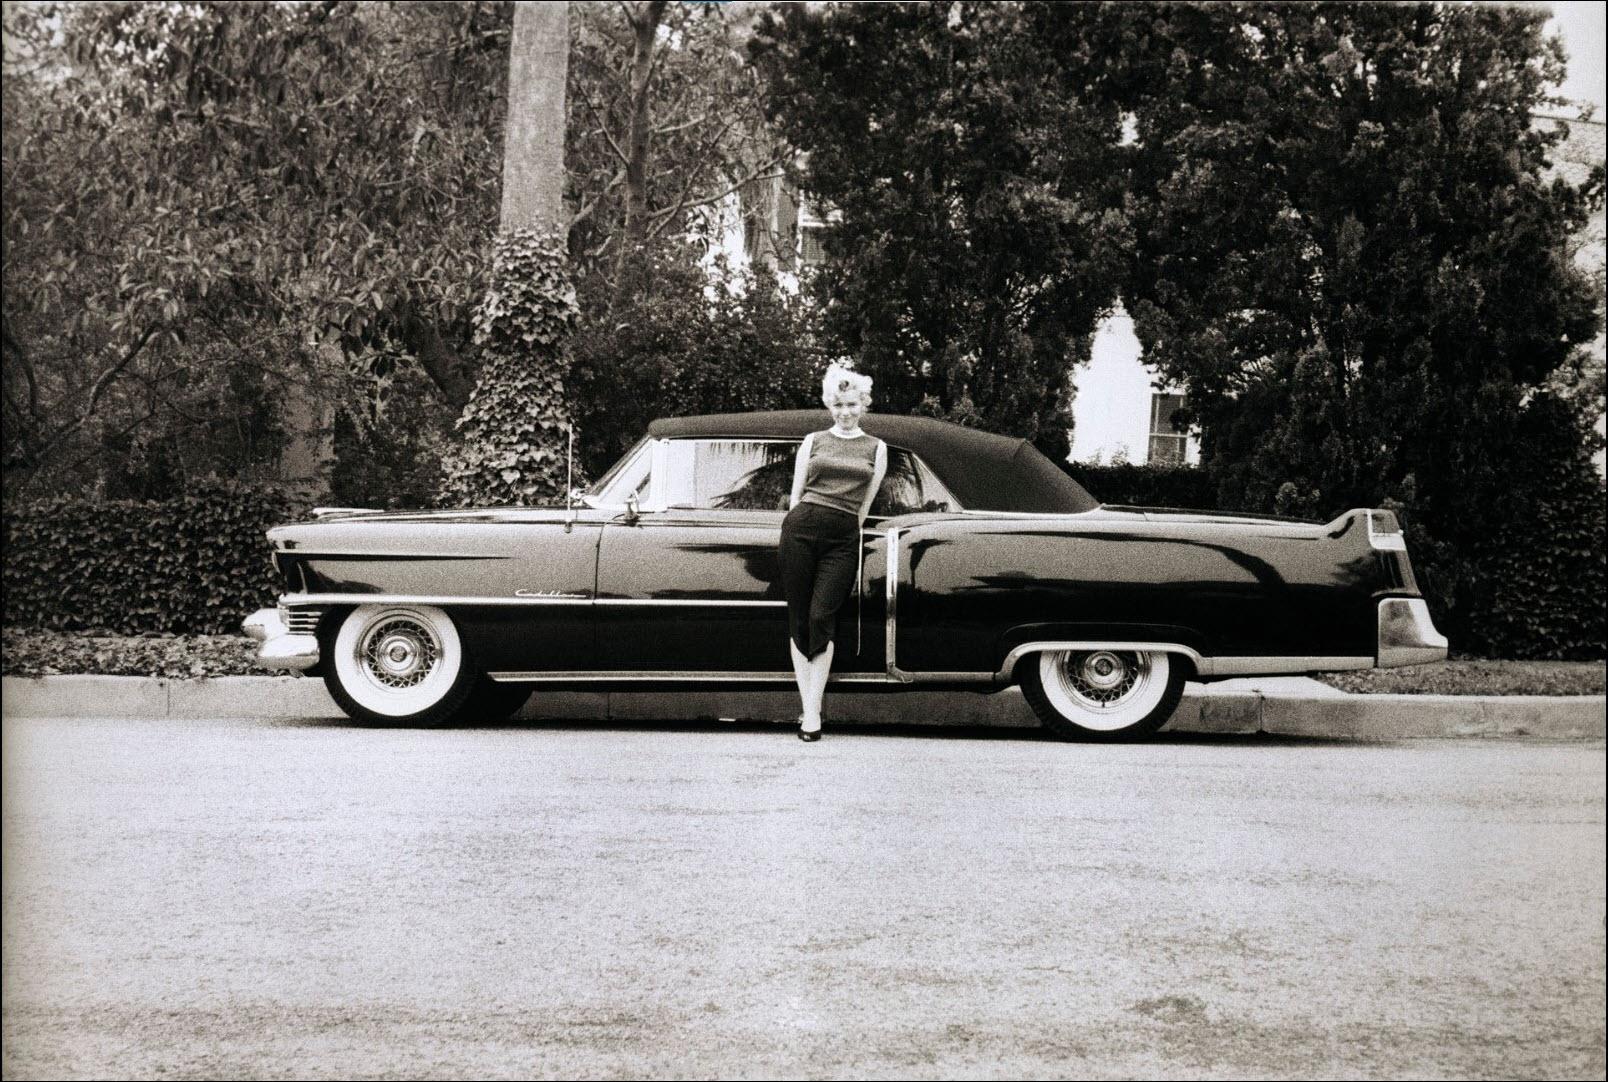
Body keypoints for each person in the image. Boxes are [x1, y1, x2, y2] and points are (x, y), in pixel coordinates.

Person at [779, 363, 888, 741]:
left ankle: (811, 709)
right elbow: (796, 495)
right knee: (799, 620)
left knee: (821, 615)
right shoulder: (813, 441)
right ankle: (812, 714)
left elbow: (864, 506)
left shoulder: (877, 448)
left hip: (843, 536)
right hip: (801, 529)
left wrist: (849, 533)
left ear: (863, 404)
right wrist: (796, 523)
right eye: (838, 404)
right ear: (830, 405)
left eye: (852, 404)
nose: (845, 412)